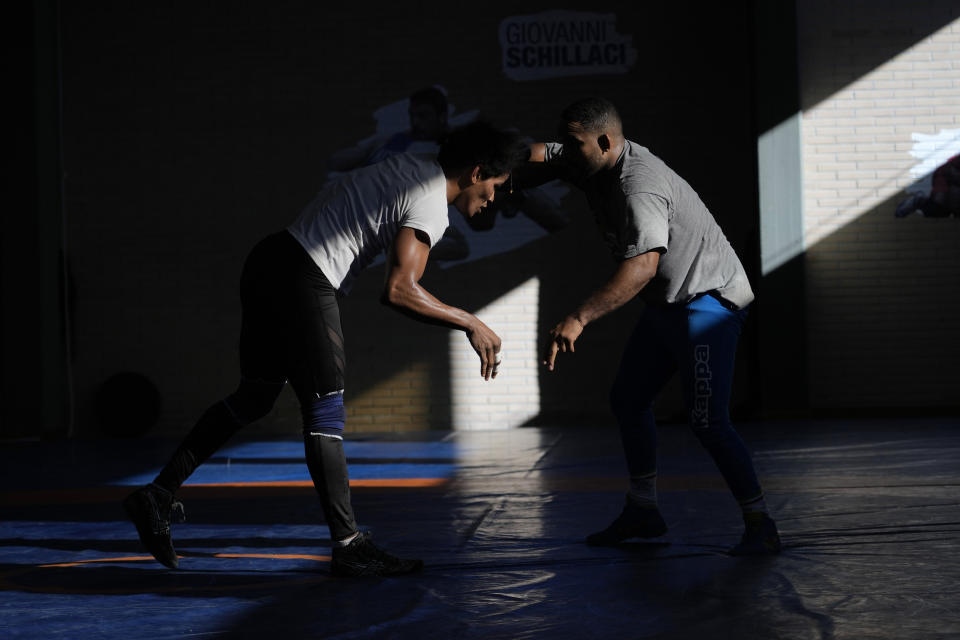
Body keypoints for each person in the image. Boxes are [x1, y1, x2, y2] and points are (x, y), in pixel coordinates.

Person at [122, 120, 530, 576]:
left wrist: (538, 153)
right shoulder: (432, 203)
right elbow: (399, 289)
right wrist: (470, 321)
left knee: (254, 397)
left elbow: (500, 152)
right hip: (303, 277)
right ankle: (349, 544)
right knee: (325, 414)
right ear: (476, 173)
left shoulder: (412, 164)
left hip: (268, 261)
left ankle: (158, 494)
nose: (495, 197)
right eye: (495, 185)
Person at [524, 97, 781, 555]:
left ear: (605, 142)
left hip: (709, 302)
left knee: (707, 421)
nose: (568, 151)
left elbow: (643, 265)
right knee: (628, 398)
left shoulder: (638, 184)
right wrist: (488, 165)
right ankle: (643, 509)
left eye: (575, 144)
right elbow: (538, 153)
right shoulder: (588, 155)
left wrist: (579, 316)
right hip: (669, 303)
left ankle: (760, 521)